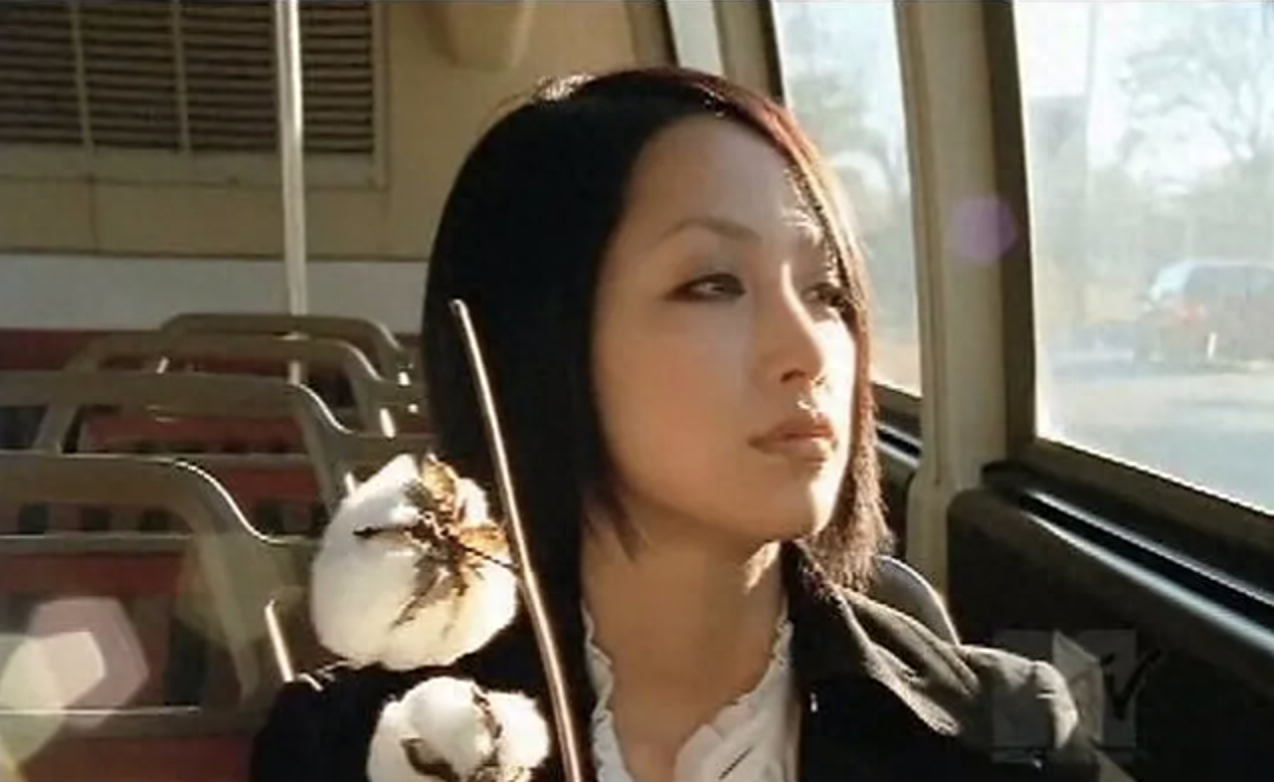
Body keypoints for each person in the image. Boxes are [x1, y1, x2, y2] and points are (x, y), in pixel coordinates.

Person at [250, 66, 1098, 782]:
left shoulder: (1007, 734)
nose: (808, 350)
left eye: (826, 291)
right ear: (537, 343)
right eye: (712, 285)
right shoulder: (350, 750)